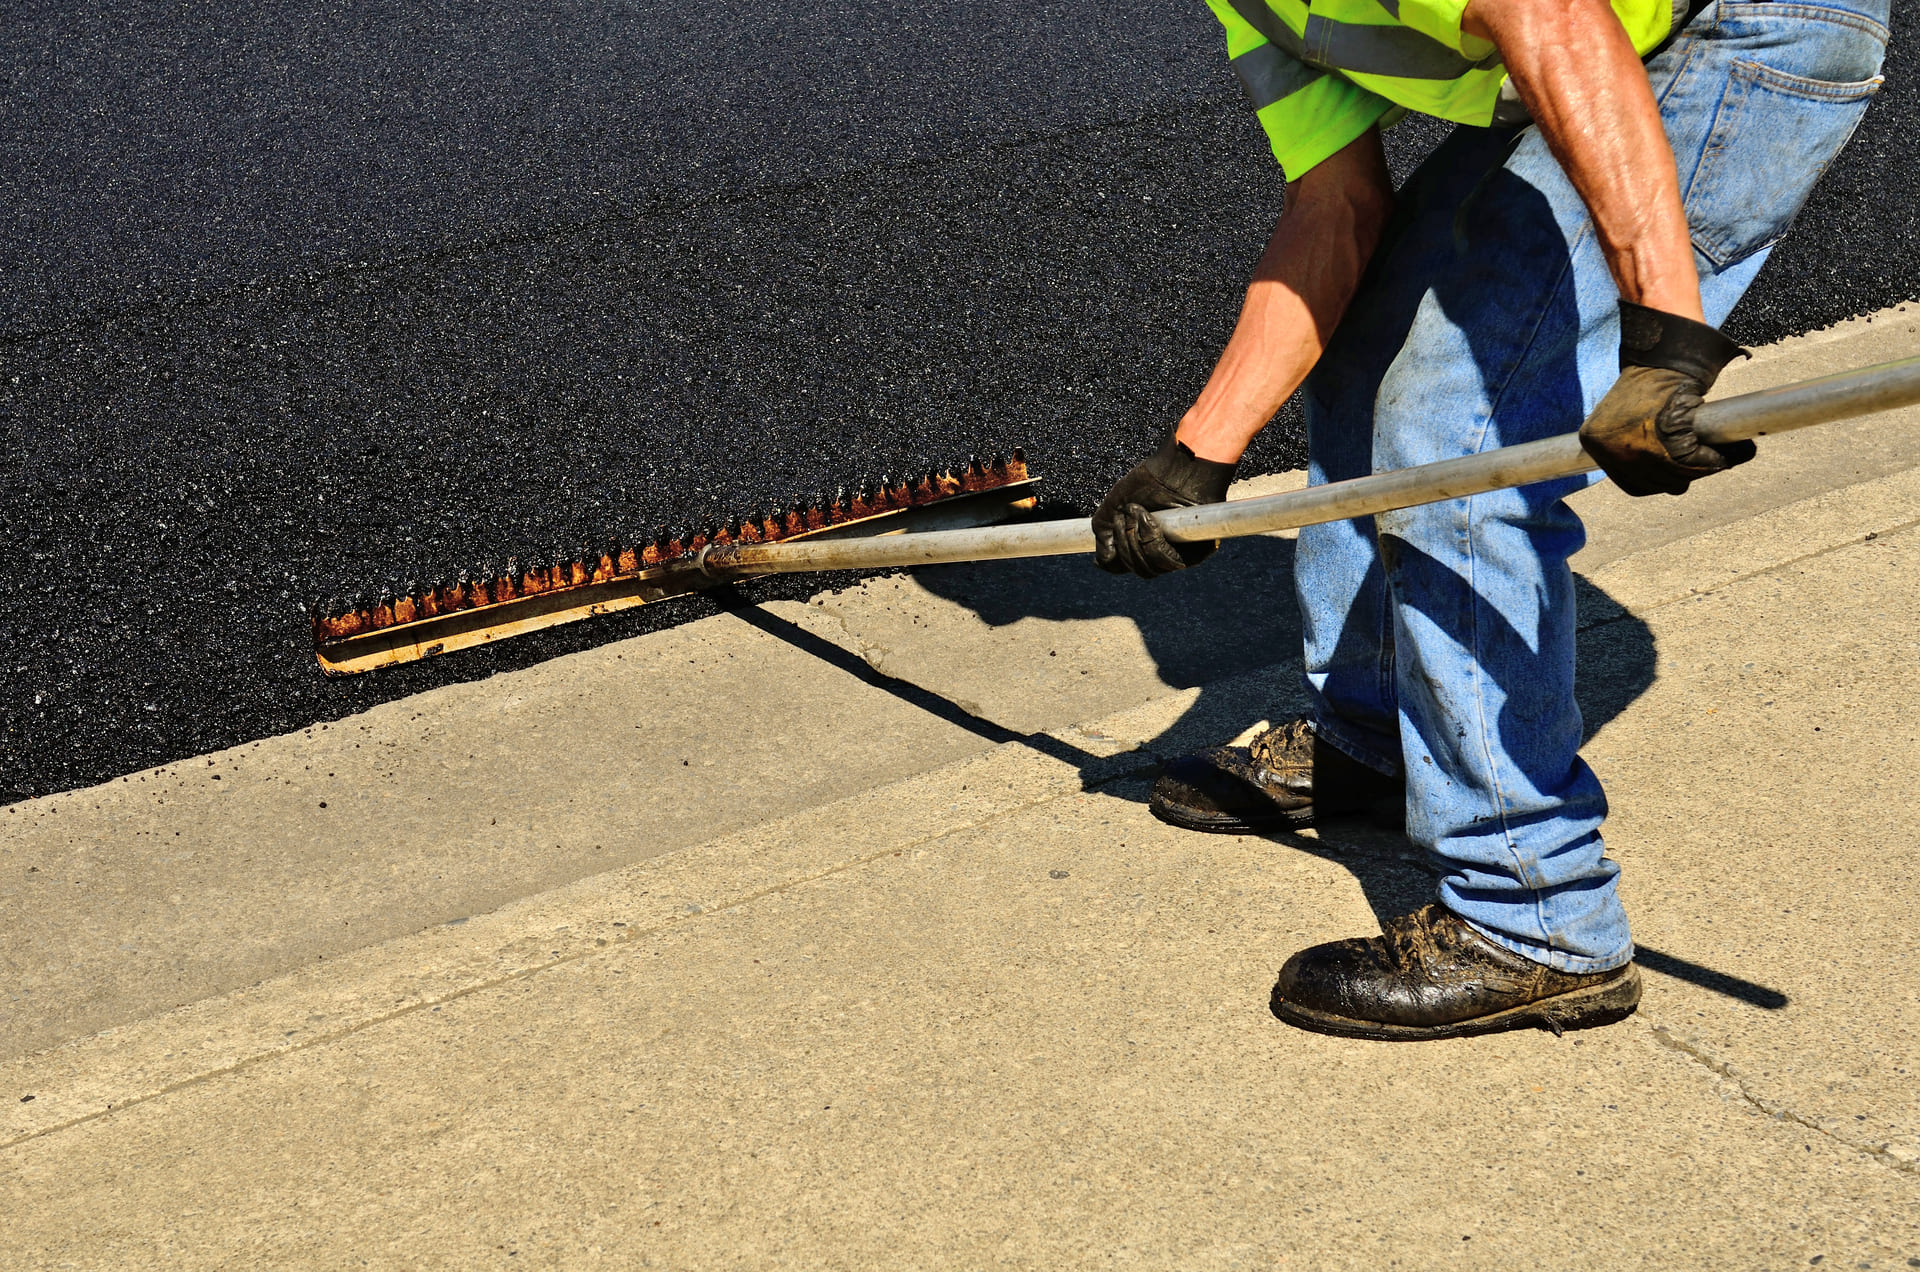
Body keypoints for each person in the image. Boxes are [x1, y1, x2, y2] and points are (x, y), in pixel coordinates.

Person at [1092, 0, 1890, 1040]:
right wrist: (1195, 457)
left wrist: (1667, 339)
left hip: (1743, 26)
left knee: (1456, 440)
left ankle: (1539, 919)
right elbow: (1336, 209)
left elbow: (1556, 23)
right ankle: (1374, 736)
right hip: (1593, 39)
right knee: (1372, 344)